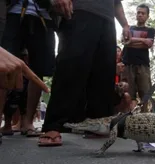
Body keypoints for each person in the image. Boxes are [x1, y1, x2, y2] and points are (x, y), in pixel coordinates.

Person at [39, 0, 130, 146]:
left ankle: (97, 123)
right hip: (78, 11)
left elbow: (116, 3)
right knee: (70, 67)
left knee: (104, 72)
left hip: (107, 19)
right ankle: (53, 126)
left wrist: (125, 24)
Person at [1, 0, 56, 137]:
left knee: (39, 70)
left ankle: (28, 122)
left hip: (43, 15)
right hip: (12, 12)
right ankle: (6, 122)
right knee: (4, 67)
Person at [121, 4, 155, 112]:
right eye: (138, 12)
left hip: (143, 65)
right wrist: (142, 40)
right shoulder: (128, 28)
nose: (140, 15)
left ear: (147, 16)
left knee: (145, 93)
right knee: (127, 93)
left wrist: (132, 40)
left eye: (143, 13)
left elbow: (149, 44)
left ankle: (144, 118)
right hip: (127, 64)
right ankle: (126, 118)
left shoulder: (150, 30)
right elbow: (125, 42)